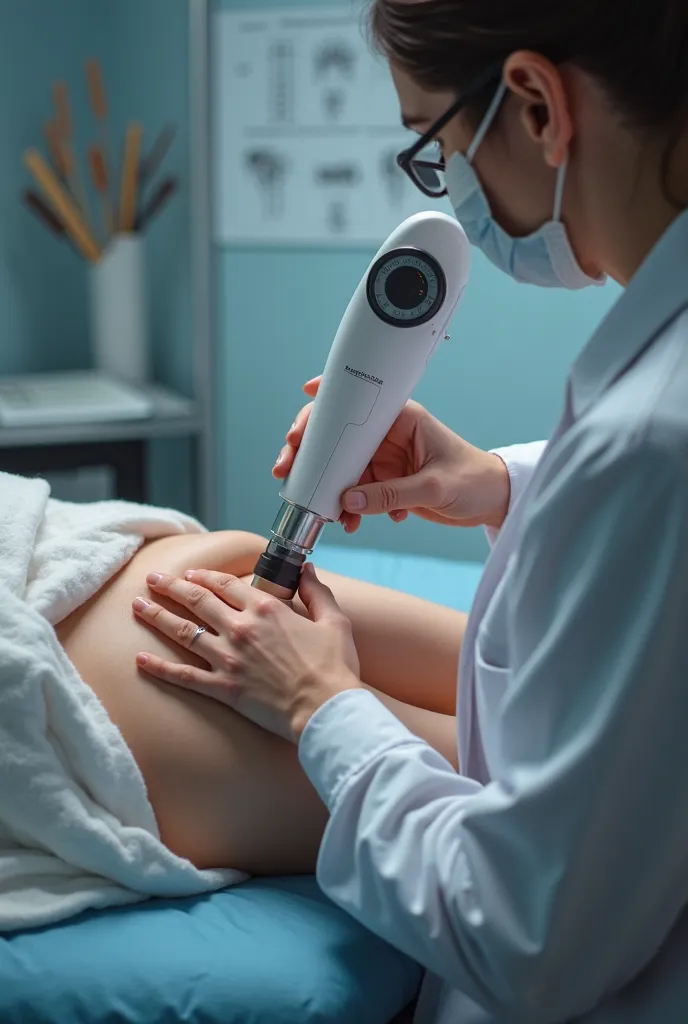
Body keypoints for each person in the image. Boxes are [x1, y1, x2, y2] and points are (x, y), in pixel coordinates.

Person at [131, 1, 688, 1021]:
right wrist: (507, 482)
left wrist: (322, 710)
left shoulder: (650, 446)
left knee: (219, 586)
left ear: (532, 101)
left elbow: (526, 937)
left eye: (435, 146)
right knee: (229, 568)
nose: (451, 190)